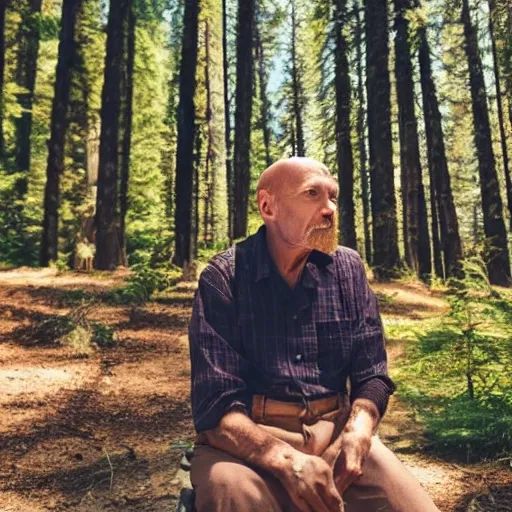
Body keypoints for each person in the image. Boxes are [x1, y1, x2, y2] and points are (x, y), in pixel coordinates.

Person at [188, 157, 439, 512]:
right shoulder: (224, 276)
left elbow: (373, 376)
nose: (329, 209)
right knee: (231, 491)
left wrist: (359, 430)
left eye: (333, 197)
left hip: (337, 434)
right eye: (312, 194)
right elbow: (215, 405)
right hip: (249, 444)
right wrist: (285, 460)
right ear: (267, 206)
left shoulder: (348, 269)